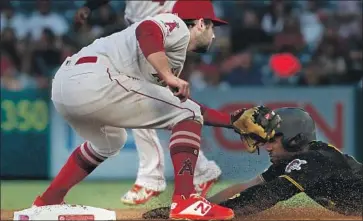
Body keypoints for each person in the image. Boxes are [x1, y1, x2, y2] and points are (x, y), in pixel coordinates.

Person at [32, 1, 280, 220]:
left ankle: (48, 200)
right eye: (213, 27)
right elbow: (146, 29)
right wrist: (166, 76)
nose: (214, 36)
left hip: (65, 85)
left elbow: (177, 106)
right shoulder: (176, 26)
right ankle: (185, 200)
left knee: (110, 141)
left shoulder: (169, 55)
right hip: (95, 78)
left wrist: (230, 121)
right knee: (187, 113)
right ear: (201, 24)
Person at [74, 0, 223, 205]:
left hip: (159, 36)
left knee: (144, 101)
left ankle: (153, 178)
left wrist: (91, 6)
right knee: (159, 105)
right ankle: (201, 171)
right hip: (152, 36)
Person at [143, 107, 363, 219]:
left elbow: (265, 196)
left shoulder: (314, 160)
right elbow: (248, 187)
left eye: (272, 140)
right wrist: (194, 208)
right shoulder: (294, 160)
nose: (267, 147)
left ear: (295, 138)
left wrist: (205, 215)